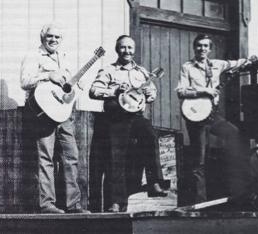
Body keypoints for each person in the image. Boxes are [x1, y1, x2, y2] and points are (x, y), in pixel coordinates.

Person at [89, 35, 168, 213]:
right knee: (116, 160)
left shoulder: (142, 72)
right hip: (115, 118)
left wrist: (149, 93)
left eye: (130, 48)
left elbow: (152, 93)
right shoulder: (109, 70)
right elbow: (93, 91)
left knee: (150, 134)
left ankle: (154, 181)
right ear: (118, 50)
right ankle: (115, 202)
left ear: (134, 50)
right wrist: (114, 90)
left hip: (135, 117)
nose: (127, 51)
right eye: (123, 48)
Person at [176, 34, 257, 205]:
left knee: (234, 135)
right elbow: (181, 91)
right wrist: (204, 91)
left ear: (210, 49)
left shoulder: (217, 64)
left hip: (213, 114)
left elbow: (235, 63)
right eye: (199, 45)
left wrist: (249, 60)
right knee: (199, 160)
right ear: (194, 47)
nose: (202, 49)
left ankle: (239, 191)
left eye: (205, 46)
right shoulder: (187, 67)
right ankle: (200, 202)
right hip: (196, 117)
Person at [20, 23, 89, 214]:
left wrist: (76, 84)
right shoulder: (33, 56)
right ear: (43, 37)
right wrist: (48, 75)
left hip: (63, 112)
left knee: (71, 156)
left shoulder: (64, 58)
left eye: (57, 37)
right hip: (42, 113)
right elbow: (24, 82)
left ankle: (73, 204)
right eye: (50, 36)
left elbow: (66, 85)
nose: (53, 40)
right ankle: (47, 205)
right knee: (45, 158)